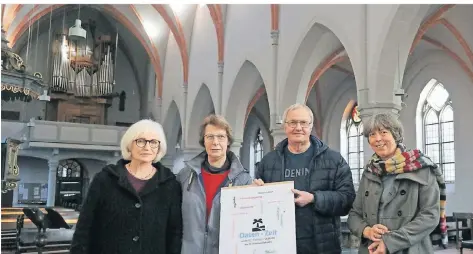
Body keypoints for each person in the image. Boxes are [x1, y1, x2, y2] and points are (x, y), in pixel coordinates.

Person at [253, 103, 356, 254]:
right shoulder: (268, 161)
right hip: (279, 244)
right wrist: (255, 192)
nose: (298, 127)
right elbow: (258, 208)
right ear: (285, 126)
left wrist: (314, 198)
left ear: (311, 125)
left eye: (303, 123)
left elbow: (347, 200)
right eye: (293, 122)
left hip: (322, 246)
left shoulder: (334, 160)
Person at [70, 119, 182, 254]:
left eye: (153, 142)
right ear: (129, 145)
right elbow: (84, 227)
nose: (147, 147)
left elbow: (174, 233)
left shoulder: (169, 184)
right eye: (140, 141)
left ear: (159, 147)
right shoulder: (105, 179)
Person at [347, 112, 447, 254]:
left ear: (396, 135)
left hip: (411, 249)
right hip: (372, 249)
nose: (378, 139)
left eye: (383, 132)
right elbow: (354, 214)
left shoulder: (422, 168)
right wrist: (367, 230)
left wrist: (389, 241)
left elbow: (430, 216)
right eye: (372, 134)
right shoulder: (369, 172)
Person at [177, 114, 252, 254]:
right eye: (210, 137)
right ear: (203, 141)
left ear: (228, 141)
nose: (215, 142)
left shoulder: (243, 181)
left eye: (221, 137)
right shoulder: (185, 176)